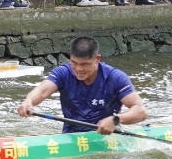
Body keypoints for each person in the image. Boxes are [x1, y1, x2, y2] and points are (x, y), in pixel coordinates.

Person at [17, 36, 147, 134]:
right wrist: (29, 102)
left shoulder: (116, 77)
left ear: (97, 59)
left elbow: (140, 111)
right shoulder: (63, 73)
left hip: (105, 136)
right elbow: (42, 90)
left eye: (84, 64)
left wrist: (115, 119)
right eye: (74, 62)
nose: (78, 69)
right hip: (71, 136)